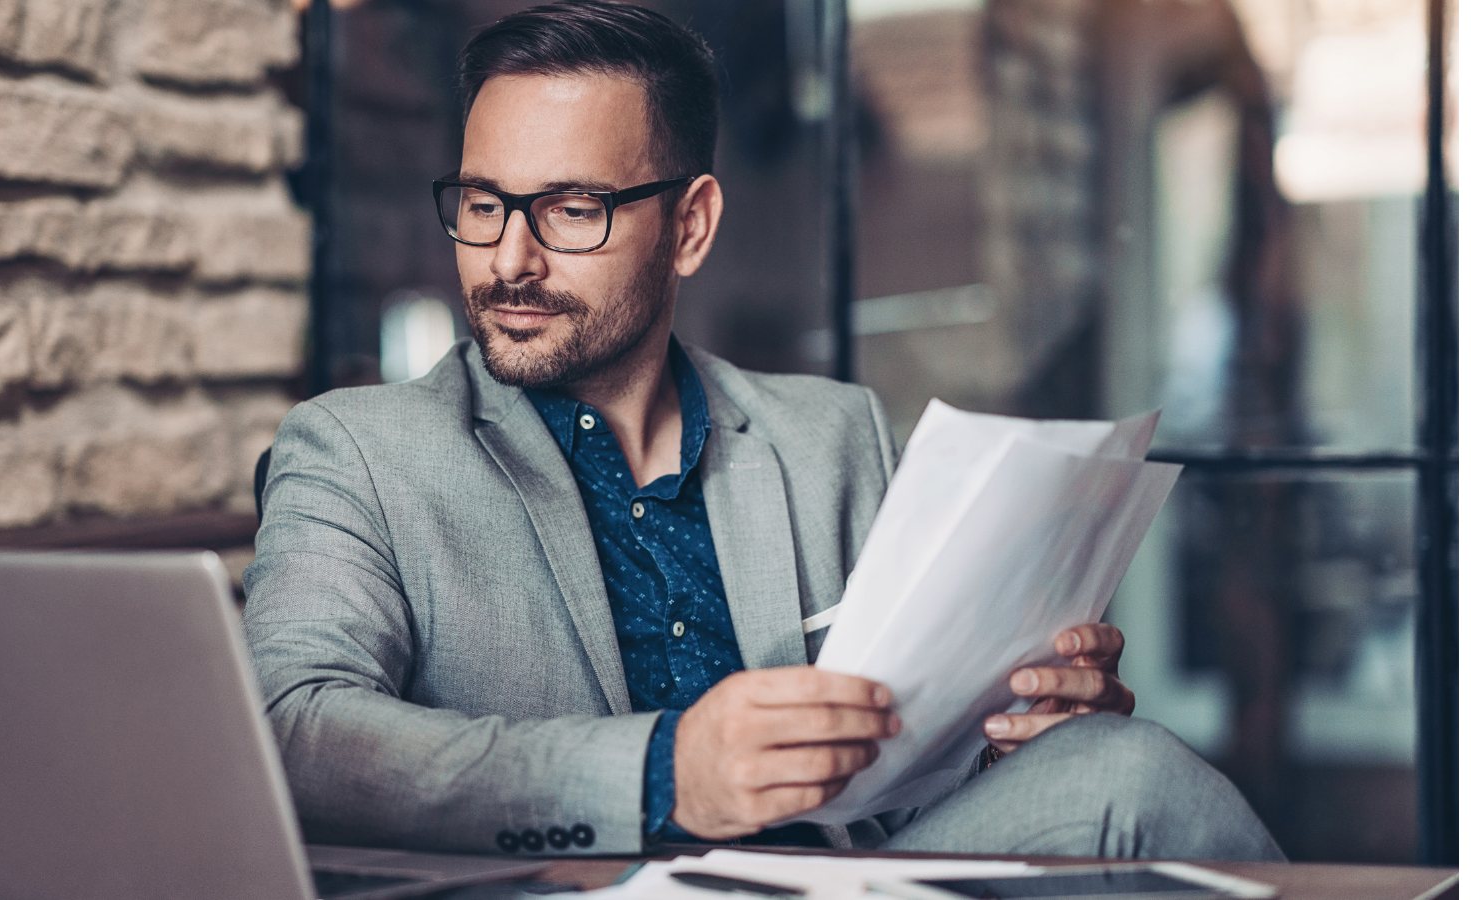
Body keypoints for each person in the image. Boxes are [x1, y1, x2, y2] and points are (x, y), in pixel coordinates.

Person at [243, 0, 1281, 860]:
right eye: (482, 203)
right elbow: (294, 735)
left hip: (840, 885)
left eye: (569, 211)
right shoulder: (353, 452)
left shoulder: (830, 434)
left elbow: (910, 775)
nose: (508, 259)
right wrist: (663, 775)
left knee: (1117, 767)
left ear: (689, 225)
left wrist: (1016, 741)